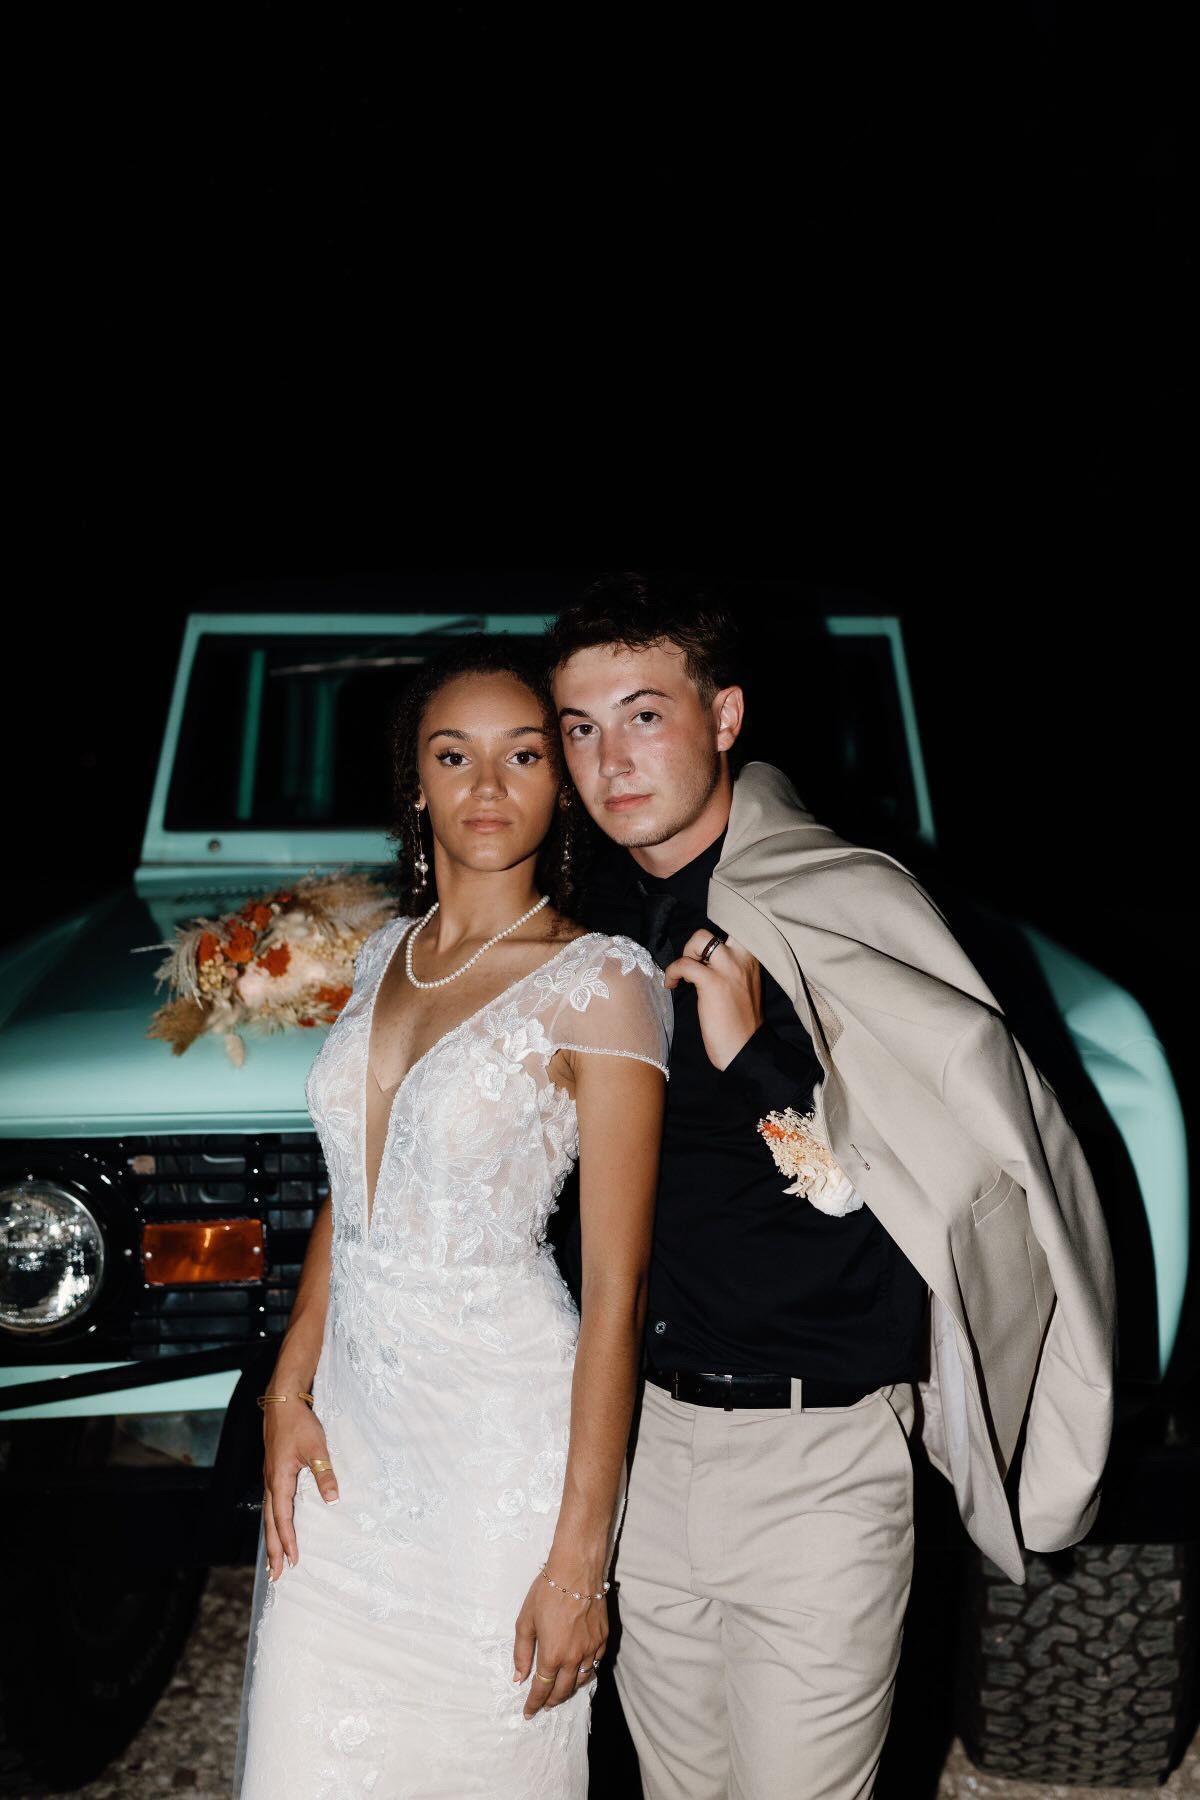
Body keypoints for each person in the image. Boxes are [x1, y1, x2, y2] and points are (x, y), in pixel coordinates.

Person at [548, 574, 1117, 1800]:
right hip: (645, 1449)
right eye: (581, 729)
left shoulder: (842, 902)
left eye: (645, 716)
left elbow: (941, 1196)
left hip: (819, 1462)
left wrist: (759, 1066)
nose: (611, 761)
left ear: (727, 717)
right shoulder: (583, 921)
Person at [235, 637, 671, 1799]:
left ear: (558, 782)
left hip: (498, 1460)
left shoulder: (604, 983)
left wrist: (582, 1560)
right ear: (414, 781)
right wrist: (288, 1390)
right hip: (351, 1459)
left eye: (524, 755)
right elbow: (354, 1190)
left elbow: (618, 1295)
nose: (487, 787)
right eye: (454, 755)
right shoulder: (385, 953)